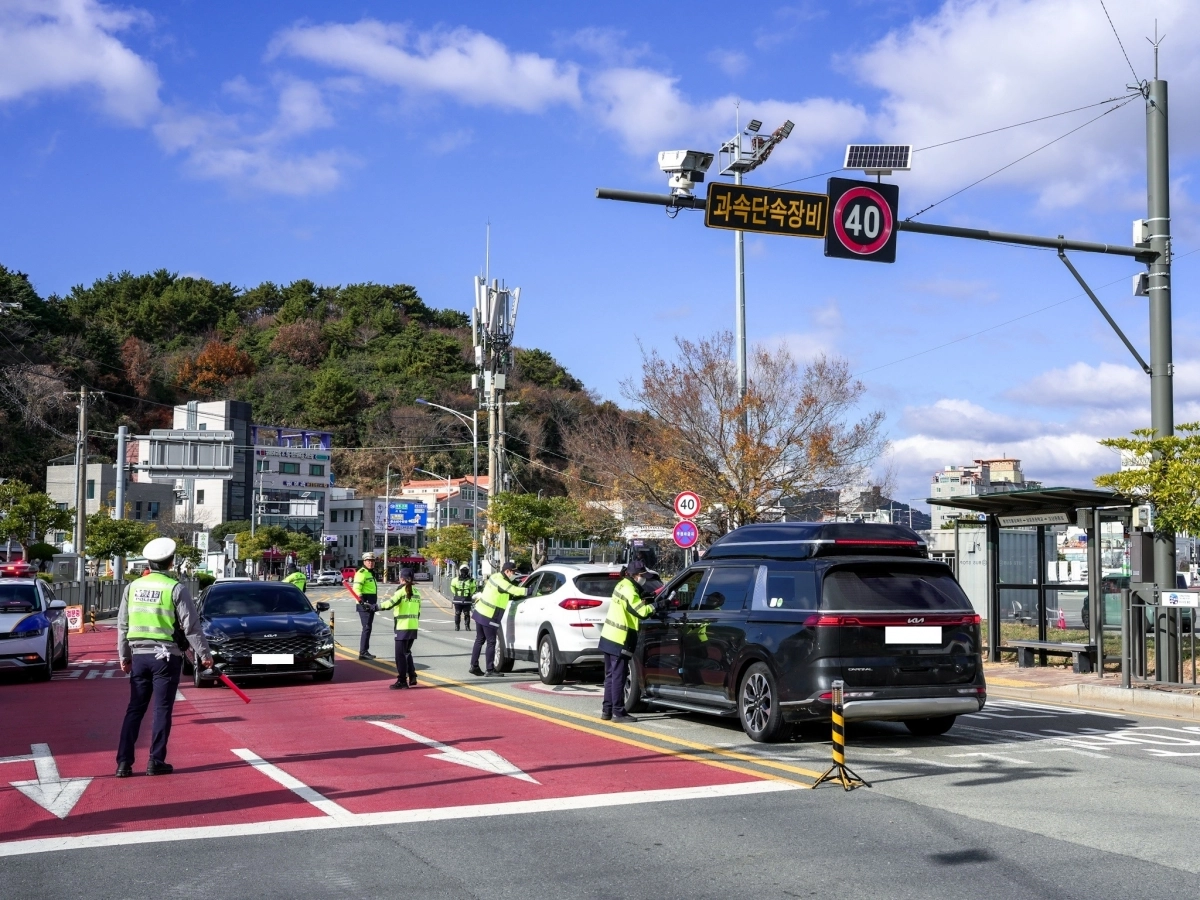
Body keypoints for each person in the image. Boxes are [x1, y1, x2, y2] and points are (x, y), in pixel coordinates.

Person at [116, 537, 212, 777]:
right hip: (166, 658)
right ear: (171, 562)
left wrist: (124, 656)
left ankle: (123, 764)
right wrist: (204, 654)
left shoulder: (133, 587)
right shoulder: (175, 588)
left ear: (148, 562)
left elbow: (122, 626)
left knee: (134, 709)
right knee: (161, 709)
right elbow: (191, 627)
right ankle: (155, 761)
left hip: (139, 656)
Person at [598, 560, 655, 723]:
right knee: (618, 676)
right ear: (636, 576)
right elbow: (641, 612)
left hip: (609, 636)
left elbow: (629, 606)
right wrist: (655, 606)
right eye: (643, 576)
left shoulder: (622, 585)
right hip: (620, 638)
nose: (644, 579)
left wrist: (644, 598)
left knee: (610, 676)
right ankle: (618, 712)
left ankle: (607, 710)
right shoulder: (630, 590)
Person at [469, 560, 527, 677]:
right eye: (513, 572)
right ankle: (490, 670)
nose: (514, 575)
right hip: (490, 615)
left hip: (480, 611)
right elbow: (515, 590)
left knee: (479, 639)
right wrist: (530, 590)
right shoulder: (502, 582)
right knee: (491, 642)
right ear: (507, 571)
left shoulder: (495, 576)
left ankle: (474, 666)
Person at [378, 568, 421, 689]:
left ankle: (402, 680)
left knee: (400, 655)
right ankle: (412, 676)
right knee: (407, 652)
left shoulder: (401, 591)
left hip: (402, 627)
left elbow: (389, 604)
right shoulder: (417, 592)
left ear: (401, 578)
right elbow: (419, 611)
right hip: (413, 626)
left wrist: (374, 607)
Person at [353, 552, 379, 660]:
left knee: (368, 627)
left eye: (372, 561)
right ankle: (363, 652)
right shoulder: (362, 573)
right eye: (368, 561)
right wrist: (362, 602)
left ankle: (364, 651)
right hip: (365, 603)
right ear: (364, 562)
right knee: (366, 628)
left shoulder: (370, 573)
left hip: (370, 603)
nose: (371, 563)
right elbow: (356, 589)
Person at [449, 565, 477, 631]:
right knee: (458, 613)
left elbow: (474, 587)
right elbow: (452, 586)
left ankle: (467, 626)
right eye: (463, 570)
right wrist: (455, 593)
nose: (464, 572)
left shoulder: (471, 580)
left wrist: (470, 593)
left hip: (466, 599)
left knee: (466, 613)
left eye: (465, 570)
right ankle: (457, 626)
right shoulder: (455, 579)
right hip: (458, 599)